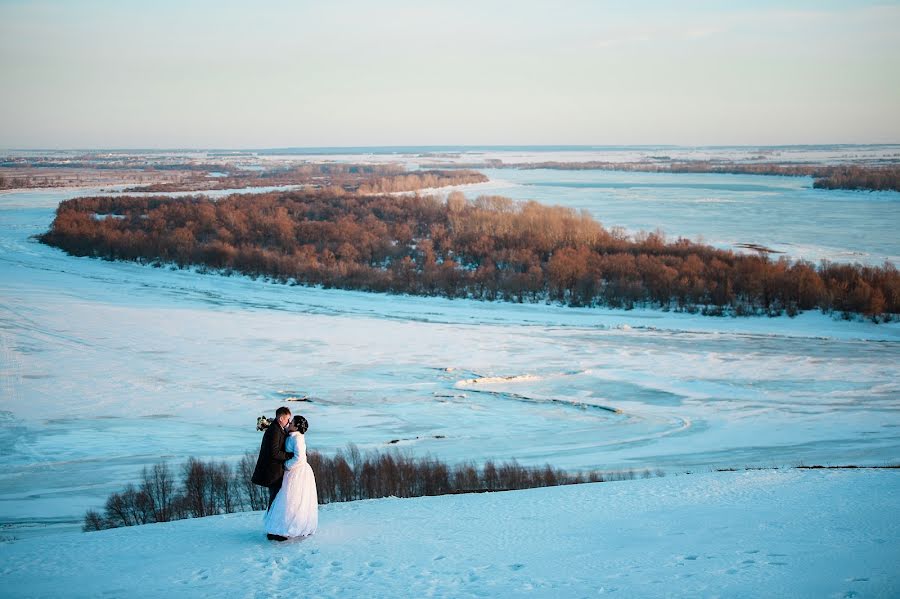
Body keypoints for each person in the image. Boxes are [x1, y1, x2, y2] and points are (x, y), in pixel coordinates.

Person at [263, 415, 318, 541]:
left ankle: (285, 529)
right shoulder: (292, 435)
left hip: (297, 473)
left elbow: (300, 458)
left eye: (292, 422)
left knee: (289, 500)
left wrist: (286, 465)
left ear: (297, 426)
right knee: (286, 500)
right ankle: (279, 528)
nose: (289, 423)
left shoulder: (298, 438)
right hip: (293, 472)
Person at [251, 406, 295, 536]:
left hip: (275, 471)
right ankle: (272, 530)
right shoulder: (275, 430)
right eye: (287, 419)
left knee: (276, 500)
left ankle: (274, 529)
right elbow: (274, 453)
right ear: (281, 418)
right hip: (272, 472)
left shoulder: (277, 428)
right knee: (275, 501)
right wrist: (290, 455)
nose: (289, 422)